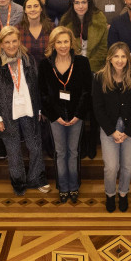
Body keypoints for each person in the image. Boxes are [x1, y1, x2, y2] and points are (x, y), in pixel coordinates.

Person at [0, 26, 51, 196]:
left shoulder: (28, 59)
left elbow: (36, 86)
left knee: (35, 146)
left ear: (19, 41)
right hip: (7, 113)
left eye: (14, 41)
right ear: (1, 43)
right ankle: (18, 182)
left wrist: (38, 110)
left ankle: (37, 178)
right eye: (7, 42)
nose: (11, 45)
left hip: (29, 110)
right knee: (13, 151)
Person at [39, 26, 91, 203]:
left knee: (73, 152)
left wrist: (78, 114)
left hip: (76, 115)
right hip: (56, 117)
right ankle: (63, 187)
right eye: (58, 42)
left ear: (71, 43)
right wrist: (55, 116)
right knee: (60, 152)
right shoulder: (45, 65)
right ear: (53, 44)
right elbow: (43, 94)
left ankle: (74, 186)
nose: (62, 46)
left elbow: (86, 91)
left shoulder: (82, 62)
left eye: (65, 42)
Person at [92, 43, 131, 213]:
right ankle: (110, 194)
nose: (120, 60)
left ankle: (123, 193)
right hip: (109, 128)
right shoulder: (99, 78)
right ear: (110, 58)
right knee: (111, 167)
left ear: (127, 58)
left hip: (130, 129)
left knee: (127, 165)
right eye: (116, 56)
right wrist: (112, 131)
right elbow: (97, 108)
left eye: (123, 56)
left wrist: (127, 133)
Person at [60, 0, 108, 71]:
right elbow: (63, 49)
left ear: (89, 3)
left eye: (84, 2)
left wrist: (88, 67)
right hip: (72, 68)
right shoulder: (65, 21)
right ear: (72, 4)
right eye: (77, 3)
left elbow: (102, 49)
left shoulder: (100, 19)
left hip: (95, 68)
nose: (80, 6)